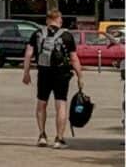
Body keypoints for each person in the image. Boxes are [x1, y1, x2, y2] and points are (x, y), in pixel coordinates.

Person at [22, 9, 84, 149]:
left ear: (47, 20)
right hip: (61, 73)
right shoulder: (67, 36)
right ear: (59, 19)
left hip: (43, 72)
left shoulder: (37, 34)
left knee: (41, 103)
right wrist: (80, 76)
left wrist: (26, 73)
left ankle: (42, 135)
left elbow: (28, 54)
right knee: (60, 105)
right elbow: (74, 59)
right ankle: (59, 139)